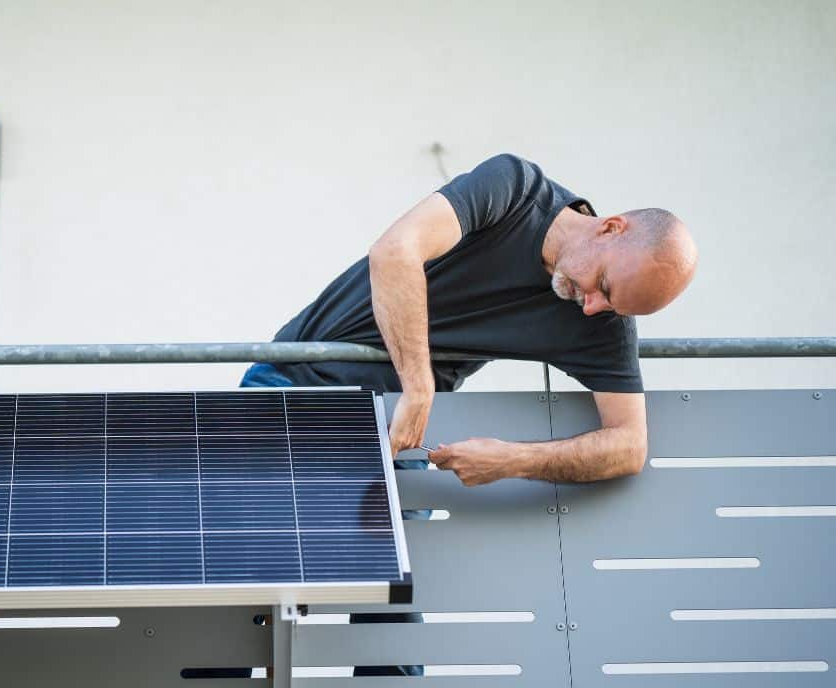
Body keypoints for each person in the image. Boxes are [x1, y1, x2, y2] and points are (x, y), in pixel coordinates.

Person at [242, 153, 698, 486]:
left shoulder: (601, 320)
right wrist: (419, 389)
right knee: (245, 571)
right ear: (610, 228)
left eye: (615, 308)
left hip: (395, 435)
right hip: (292, 386)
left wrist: (513, 460)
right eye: (604, 285)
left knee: (393, 604)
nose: (595, 306)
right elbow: (395, 251)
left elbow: (629, 446)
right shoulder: (516, 188)